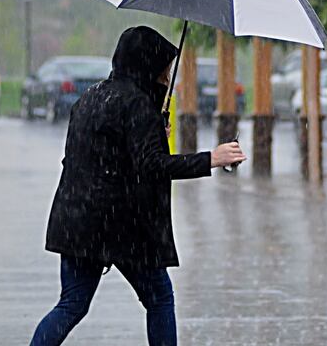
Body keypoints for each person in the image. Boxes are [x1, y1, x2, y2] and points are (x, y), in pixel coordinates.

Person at [30, 26, 246, 346]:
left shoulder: (91, 96)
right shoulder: (138, 106)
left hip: (76, 218)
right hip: (122, 225)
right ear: (148, 65)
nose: (168, 74)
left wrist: (155, 131)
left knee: (71, 304)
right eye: (165, 67)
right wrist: (210, 158)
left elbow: (106, 153)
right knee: (159, 298)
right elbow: (152, 167)